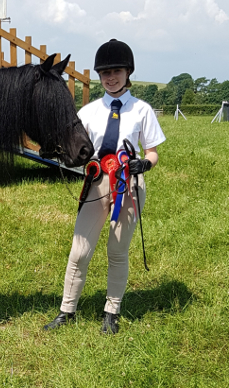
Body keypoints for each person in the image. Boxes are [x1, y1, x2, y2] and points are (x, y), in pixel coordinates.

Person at [44, 39, 166, 334]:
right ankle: (66, 310)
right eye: (105, 73)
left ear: (128, 72)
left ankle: (111, 312)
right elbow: (75, 147)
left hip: (128, 186)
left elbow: (152, 150)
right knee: (79, 251)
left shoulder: (142, 110)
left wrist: (145, 164)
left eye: (116, 71)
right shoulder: (88, 111)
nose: (111, 77)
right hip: (97, 182)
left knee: (117, 251)